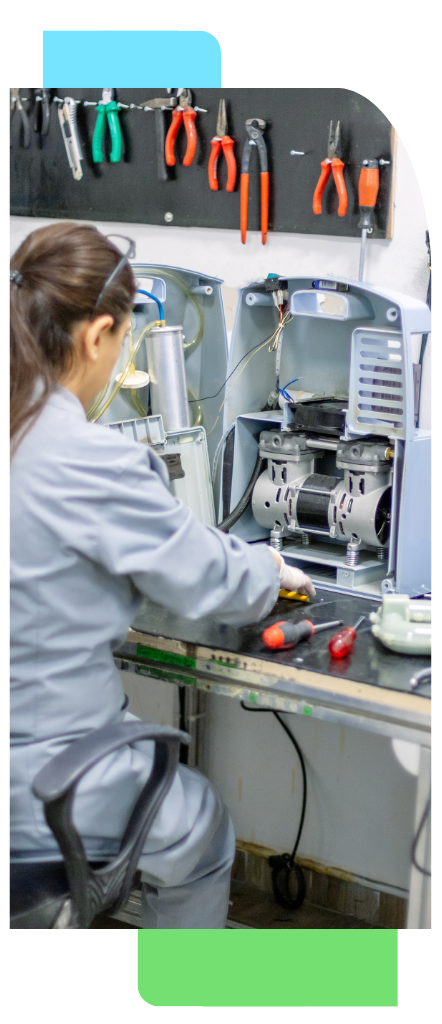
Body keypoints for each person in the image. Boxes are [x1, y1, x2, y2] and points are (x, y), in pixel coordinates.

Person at [9, 223, 315, 929]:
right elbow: (211, 580)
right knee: (200, 830)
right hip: (43, 790)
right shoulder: (90, 462)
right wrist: (267, 567)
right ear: (97, 336)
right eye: (121, 344)